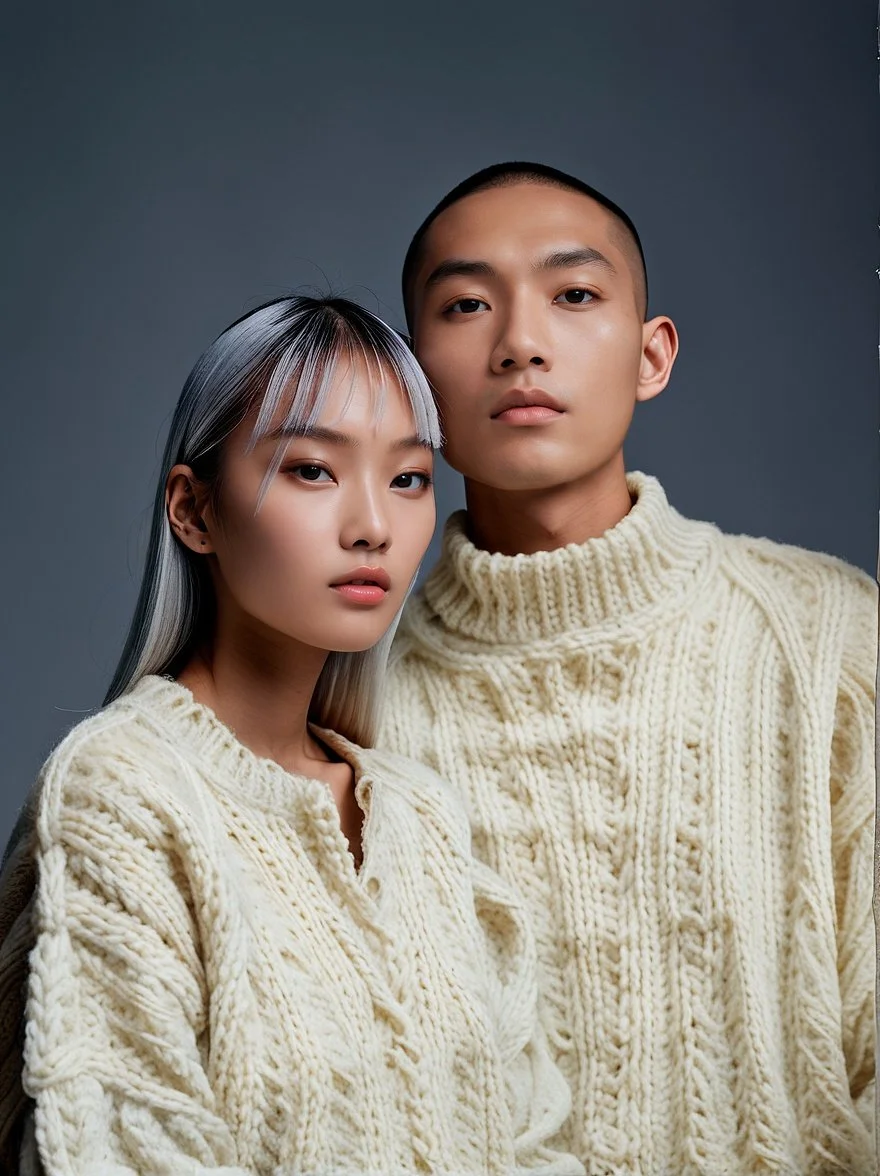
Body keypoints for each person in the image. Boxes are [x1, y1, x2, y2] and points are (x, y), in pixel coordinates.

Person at [0, 294, 584, 1175]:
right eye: (313, 470)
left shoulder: (423, 816)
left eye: (409, 478)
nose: (374, 527)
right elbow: (122, 1148)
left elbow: (530, 1140)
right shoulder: (121, 789)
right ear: (194, 510)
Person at [379, 162, 878, 1175]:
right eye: (467, 305)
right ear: (410, 383)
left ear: (652, 357)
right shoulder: (348, 711)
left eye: (573, 295)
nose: (520, 343)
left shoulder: (829, 635)